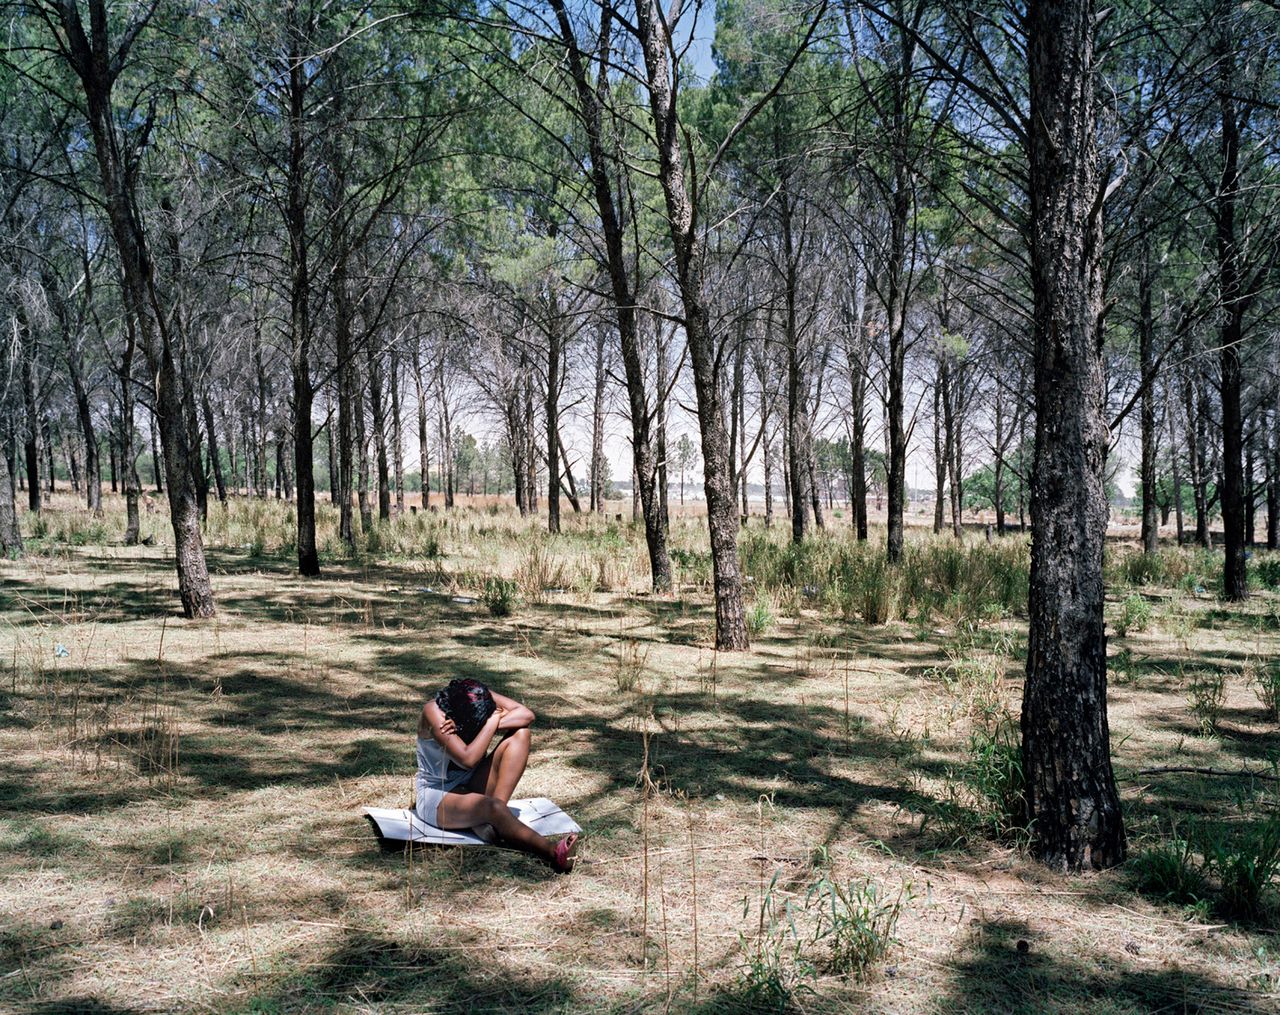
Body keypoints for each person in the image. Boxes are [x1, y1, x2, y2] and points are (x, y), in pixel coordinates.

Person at [416, 677, 577, 873]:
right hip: (438, 793)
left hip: (473, 782)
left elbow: (526, 715)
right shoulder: (433, 712)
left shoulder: (477, 695)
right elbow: (468, 759)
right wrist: (490, 722)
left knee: (521, 734)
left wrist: (487, 723)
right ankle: (553, 852)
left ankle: (492, 820)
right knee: (493, 807)